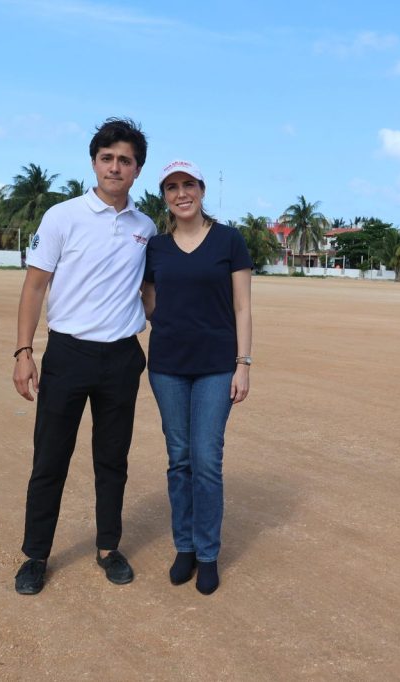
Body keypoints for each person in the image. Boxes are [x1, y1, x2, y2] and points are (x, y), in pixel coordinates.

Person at [11, 117, 156, 595]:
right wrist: (24, 351)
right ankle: (35, 555)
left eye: (126, 160)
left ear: (138, 170)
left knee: (112, 460)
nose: (115, 167)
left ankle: (108, 547)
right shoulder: (62, 216)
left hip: (121, 358)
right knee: (50, 458)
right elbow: (34, 287)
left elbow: (151, 295)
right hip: (68, 354)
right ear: (94, 163)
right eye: (107, 158)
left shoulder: (146, 227)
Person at [141, 159, 253, 595]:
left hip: (216, 367)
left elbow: (243, 306)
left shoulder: (229, 240)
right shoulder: (156, 248)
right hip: (167, 367)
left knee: (206, 459)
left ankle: (207, 554)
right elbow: (149, 297)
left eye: (188, 184)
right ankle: (183, 547)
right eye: (172, 187)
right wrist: (168, 324)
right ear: (165, 197)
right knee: (180, 458)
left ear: (202, 190)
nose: (181, 193)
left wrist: (244, 362)